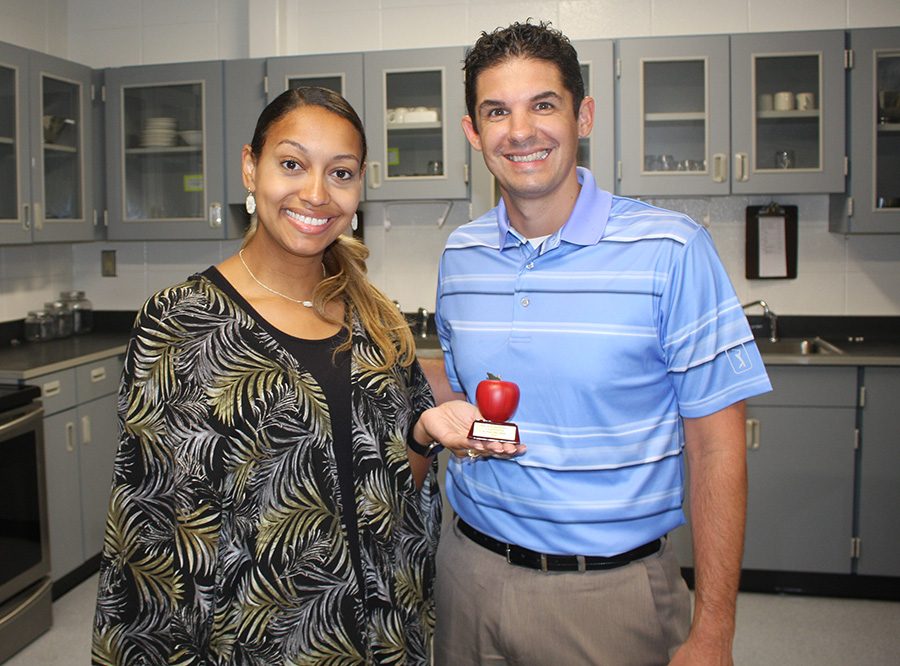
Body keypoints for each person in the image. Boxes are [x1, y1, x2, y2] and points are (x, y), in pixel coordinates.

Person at [426, 21, 773, 665]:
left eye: (543, 105)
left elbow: (717, 446)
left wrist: (715, 628)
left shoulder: (671, 250)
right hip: (468, 576)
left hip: (608, 596)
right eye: (497, 111)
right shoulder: (461, 253)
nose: (520, 130)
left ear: (583, 116)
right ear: (473, 133)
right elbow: (465, 387)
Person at [91, 87, 477, 665]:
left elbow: (395, 491)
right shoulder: (181, 322)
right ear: (251, 168)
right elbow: (152, 540)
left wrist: (423, 435)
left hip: (383, 638)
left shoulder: (376, 321)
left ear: (360, 184)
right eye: (291, 164)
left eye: (340, 173)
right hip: (258, 644)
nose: (316, 194)